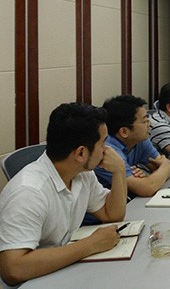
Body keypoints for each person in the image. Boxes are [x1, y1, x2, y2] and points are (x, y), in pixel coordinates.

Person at [0, 102, 127, 285]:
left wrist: (119, 171)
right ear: (81, 153)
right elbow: (13, 269)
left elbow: (112, 214)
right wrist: (90, 244)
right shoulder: (29, 192)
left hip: (63, 271)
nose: (107, 150)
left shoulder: (82, 174)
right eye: (103, 143)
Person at [95, 95, 170, 198]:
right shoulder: (106, 151)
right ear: (124, 131)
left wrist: (149, 176)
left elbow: (157, 169)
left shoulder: (140, 140)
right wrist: (166, 165)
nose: (149, 124)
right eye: (144, 121)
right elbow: (147, 188)